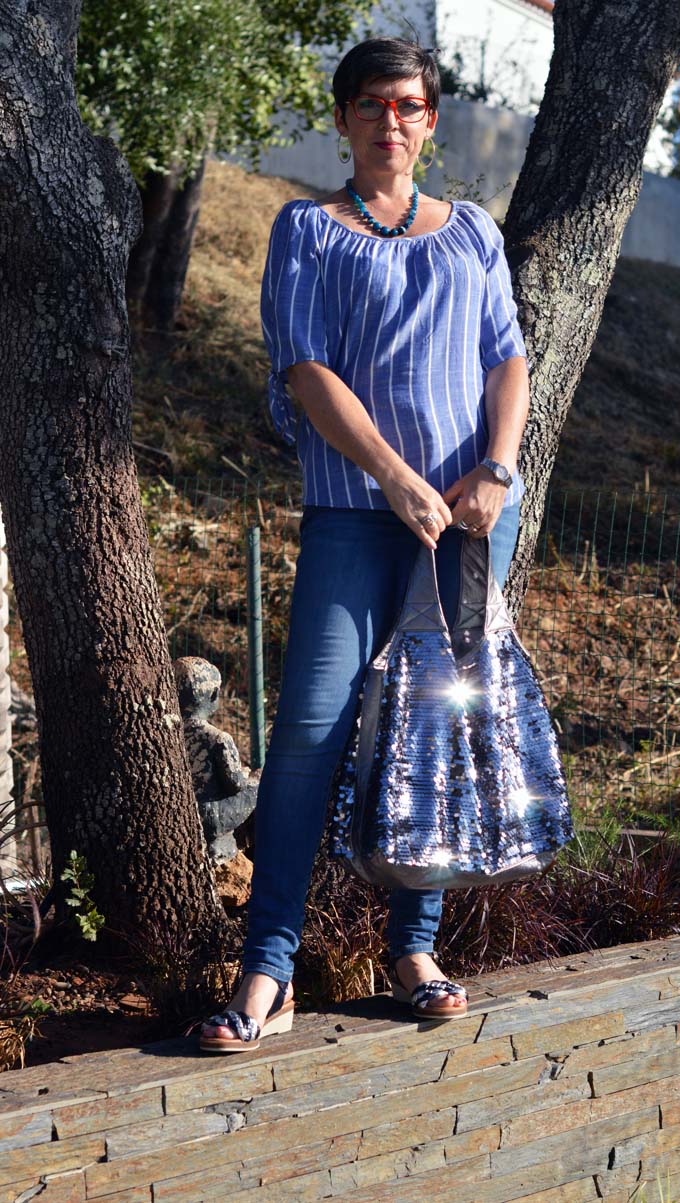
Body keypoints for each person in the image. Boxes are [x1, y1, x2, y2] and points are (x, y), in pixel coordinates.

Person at [200, 36, 530, 1053]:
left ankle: (413, 951)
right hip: (353, 513)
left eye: (408, 104)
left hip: (465, 524)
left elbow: (507, 359)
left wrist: (496, 469)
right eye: (372, 104)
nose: (391, 120)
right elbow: (306, 371)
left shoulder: (472, 232)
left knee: (435, 731)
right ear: (343, 118)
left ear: (429, 120)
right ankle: (269, 967)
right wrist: (393, 476)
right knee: (309, 734)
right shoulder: (307, 229)